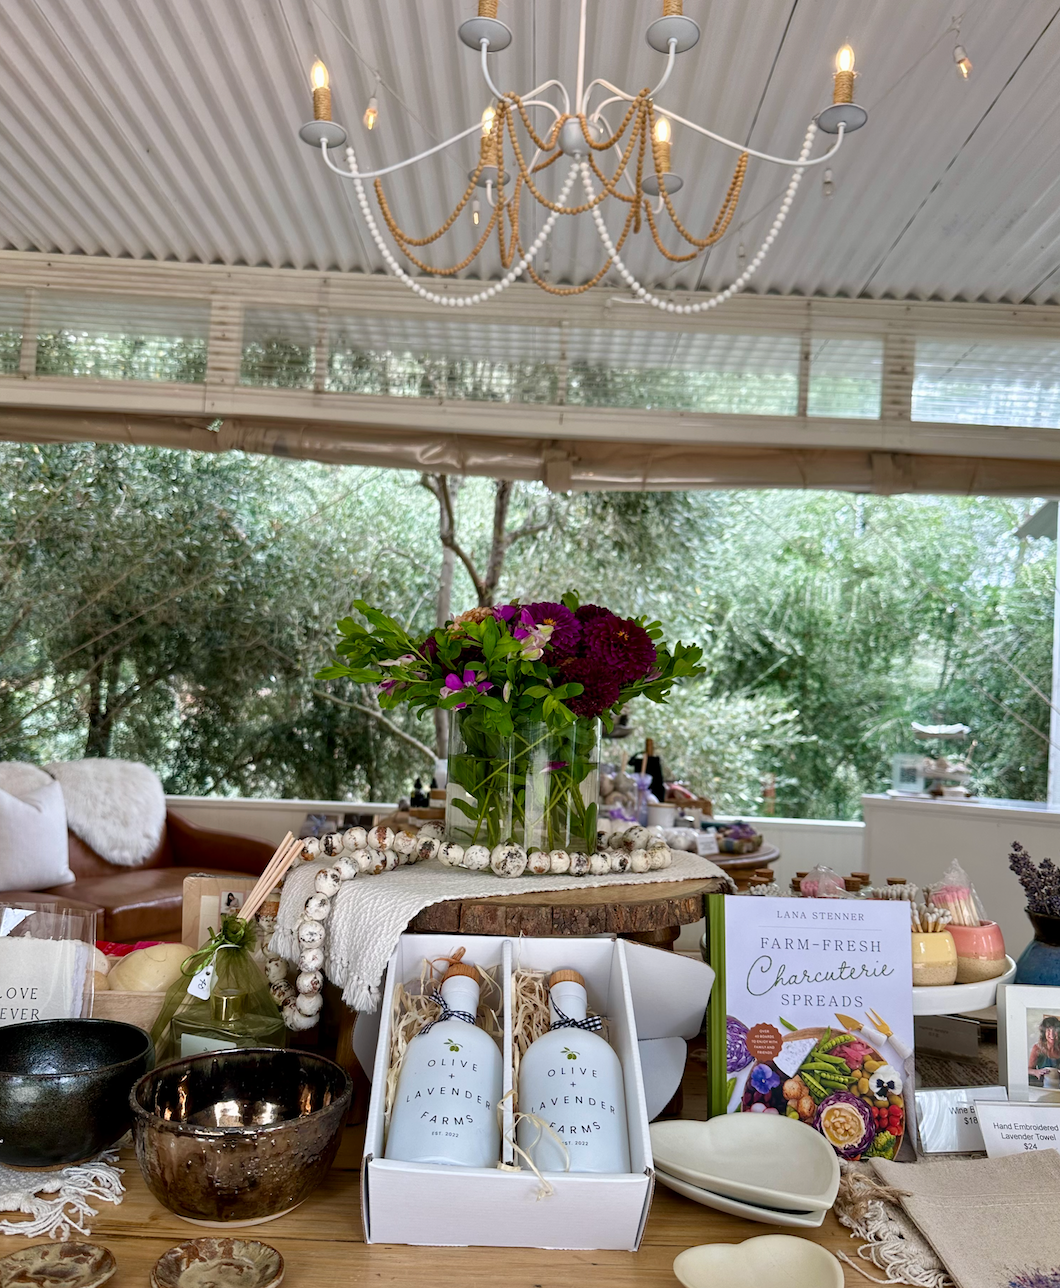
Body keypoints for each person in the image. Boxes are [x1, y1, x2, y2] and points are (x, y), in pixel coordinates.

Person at [1028, 1015, 1060, 1083]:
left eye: (1054, 1031)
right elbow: (1028, 1069)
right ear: (1044, 1033)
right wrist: (1036, 1072)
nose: (1052, 1035)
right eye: (1048, 1031)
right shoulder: (1037, 1048)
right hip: (1043, 1086)